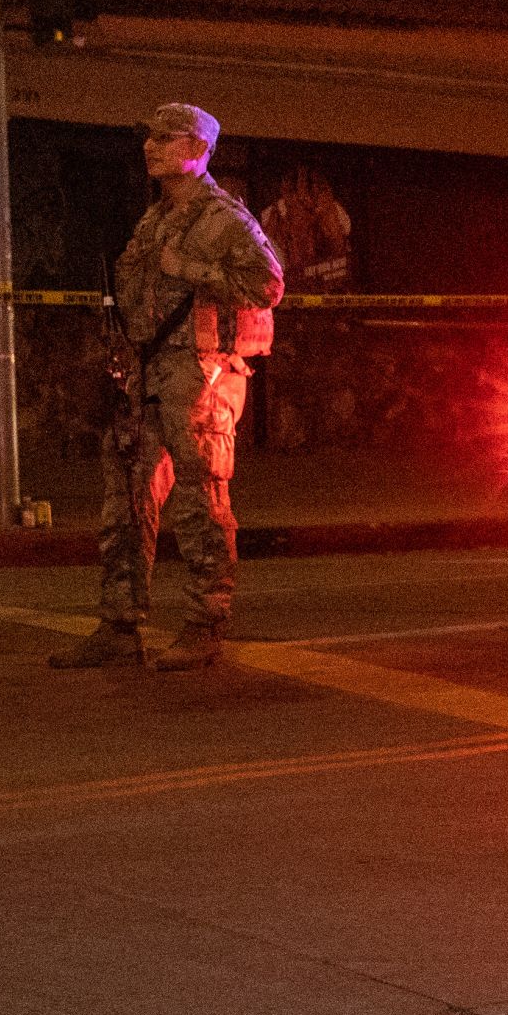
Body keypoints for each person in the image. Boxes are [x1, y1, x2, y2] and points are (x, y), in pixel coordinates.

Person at [54, 104, 283, 673]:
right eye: (149, 138)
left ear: (198, 149)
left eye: (165, 138)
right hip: (147, 372)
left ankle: (205, 626)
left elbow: (269, 285)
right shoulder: (154, 219)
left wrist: (190, 267)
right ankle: (119, 625)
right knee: (126, 500)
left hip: (201, 374)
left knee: (201, 502)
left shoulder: (225, 219)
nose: (150, 147)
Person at [258, 166, 358, 453]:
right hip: (290, 317)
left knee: (335, 380)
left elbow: (340, 247)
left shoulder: (335, 214)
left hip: (329, 316)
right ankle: (292, 441)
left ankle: (333, 439)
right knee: (290, 386)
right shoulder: (272, 219)